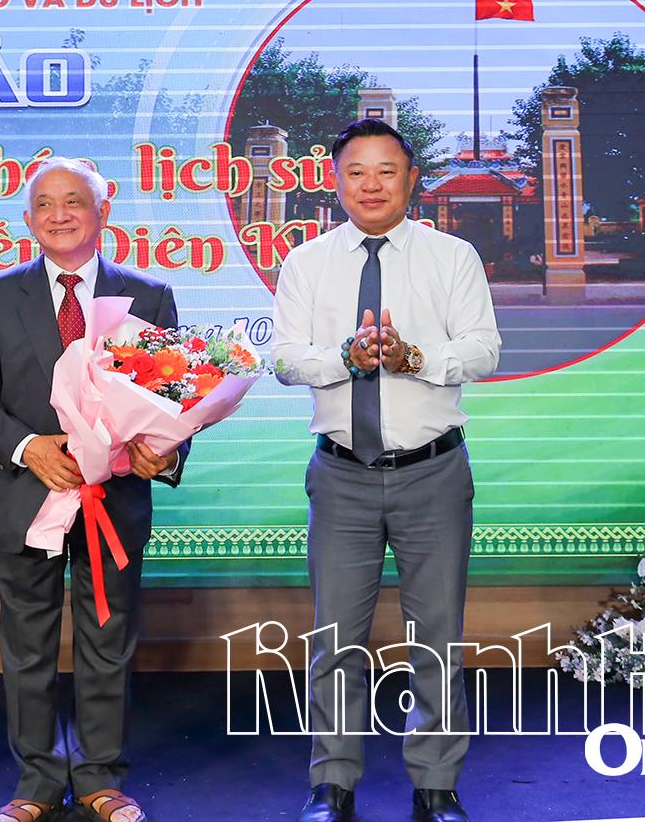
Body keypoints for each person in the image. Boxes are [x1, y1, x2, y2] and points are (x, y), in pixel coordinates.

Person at [272, 119, 500, 822]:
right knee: (336, 637)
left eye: (386, 171)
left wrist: (415, 359)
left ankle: (436, 786)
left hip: (433, 474)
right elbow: (282, 358)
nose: (371, 185)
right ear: (335, 180)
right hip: (341, 475)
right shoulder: (307, 263)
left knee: (436, 637)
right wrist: (344, 357)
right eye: (356, 172)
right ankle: (330, 785)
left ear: (412, 179)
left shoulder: (453, 256)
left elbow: (485, 350)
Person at [0, 157, 186, 822]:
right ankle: (35, 783)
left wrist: (160, 453)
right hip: (29, 496)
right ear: (27, 221)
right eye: (46, 204)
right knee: (27, 645)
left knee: (107, 641)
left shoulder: (150, 296)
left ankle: (99, 777)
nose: (60, 213)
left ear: (102, 211)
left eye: (74, 201)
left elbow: (176, 396)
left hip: (113, 501)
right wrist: (30, 449)